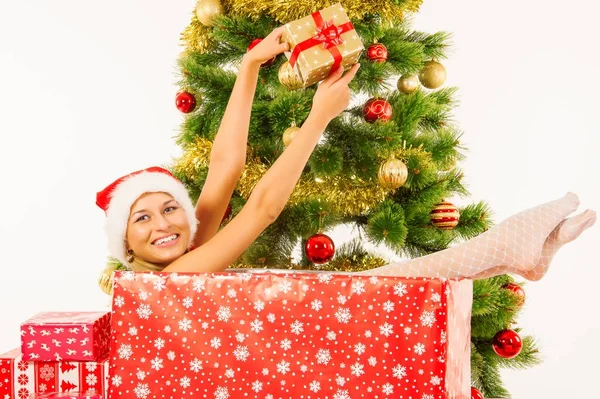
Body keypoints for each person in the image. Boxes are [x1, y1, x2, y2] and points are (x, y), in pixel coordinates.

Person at [96, 27, 596, 294]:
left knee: (427, 275)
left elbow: (226, 164)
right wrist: (317, 120)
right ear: (125, 241)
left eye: (169, 208)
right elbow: (262, 210)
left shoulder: (182, 251)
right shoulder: (162, 282)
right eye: (142, 217)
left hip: (294, 313)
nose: (164, 223)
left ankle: (521, 252)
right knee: (413, 276)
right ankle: (514, 245)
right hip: (294, 329)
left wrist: (250, 65)